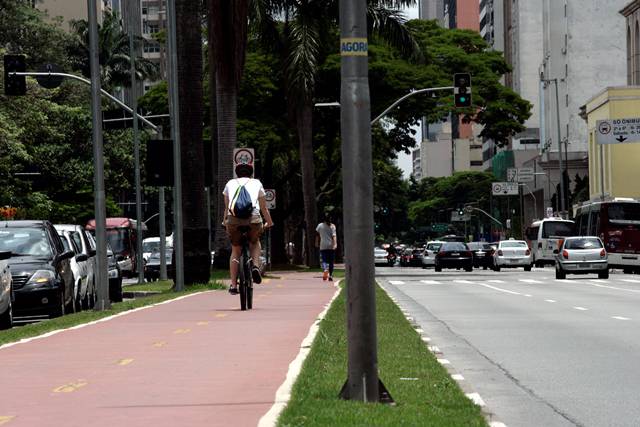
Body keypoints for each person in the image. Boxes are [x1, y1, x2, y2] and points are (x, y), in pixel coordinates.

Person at [223, 163, 273, 294]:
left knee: (235, 249)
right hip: (254, 219)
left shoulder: (230, 184)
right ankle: (255, 266)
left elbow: (227, 207)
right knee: (255, 242)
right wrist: (269, 222)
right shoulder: (257, 183)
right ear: (251, 174)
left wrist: (225, 222)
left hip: (233, 220)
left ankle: (233, 285)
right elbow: (264, 208)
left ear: (237, 174)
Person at [315, 212, 337, 281]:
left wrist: (316, 243)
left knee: (324, 260)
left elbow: (317, 235)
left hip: (323, 245)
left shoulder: (320, 225)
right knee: (331, 262)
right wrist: (335, 244)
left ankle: (325, 269)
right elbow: (334, 236)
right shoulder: (332, 226)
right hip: (331, 246)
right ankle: (330, 275)